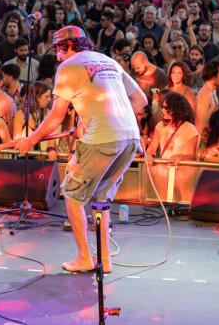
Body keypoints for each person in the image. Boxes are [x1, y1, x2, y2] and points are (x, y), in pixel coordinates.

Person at [14, 26, 146, 274]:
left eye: (58, 52)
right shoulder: (108, 61)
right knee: (101, 198)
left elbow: (56, 116)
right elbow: (141, 100)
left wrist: (31, 141)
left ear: (66, 46)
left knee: (73, 196)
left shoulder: (68, 67)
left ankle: (85, 258)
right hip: (130, 139)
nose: (58, 57)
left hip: (102, 140)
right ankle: (104, 260)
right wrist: (97, 120)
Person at [144, 91, 200, 166]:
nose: (162, 110)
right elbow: (152, 147)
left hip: (181, 172)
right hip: (163, 170)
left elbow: (192, 156)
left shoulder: (190, 129)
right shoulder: (160, 126)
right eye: (162, 107)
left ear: (176, 109)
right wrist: (149, 155)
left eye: (166, 108)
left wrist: (180, 157)